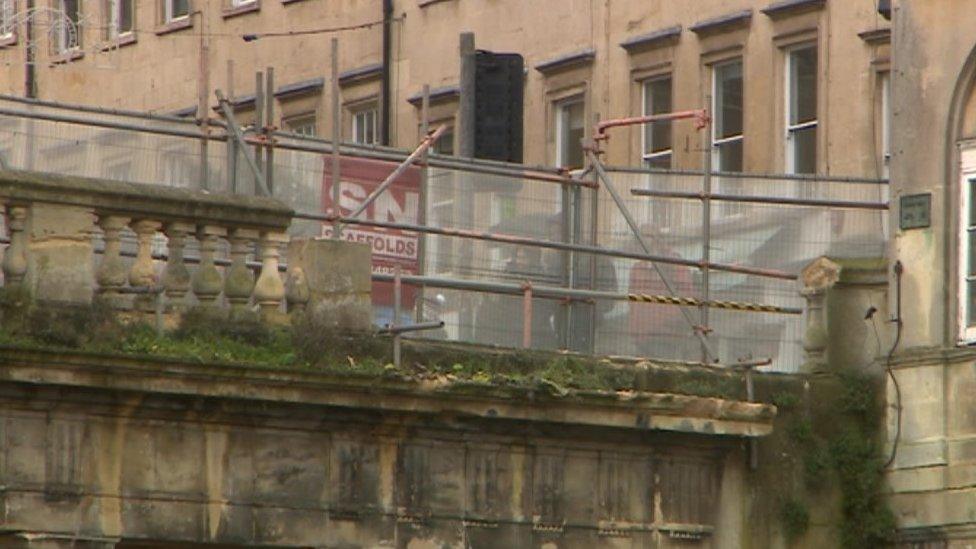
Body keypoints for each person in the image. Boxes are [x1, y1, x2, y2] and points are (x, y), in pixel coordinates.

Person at [627, 225, 695, 359]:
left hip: (664, 333)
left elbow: (686, 296)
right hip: (642, 332)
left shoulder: (674, 264)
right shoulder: (638, 268)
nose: (642, 241)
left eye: (647, 237)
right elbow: (632, 299)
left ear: (657, 240)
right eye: (640, 238)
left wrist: (670, 323)